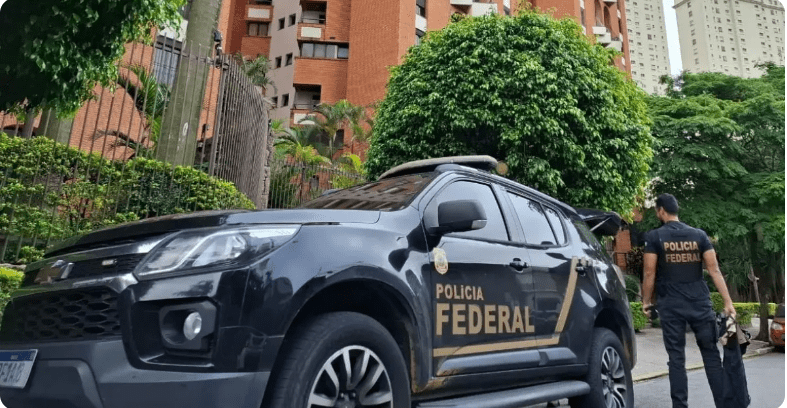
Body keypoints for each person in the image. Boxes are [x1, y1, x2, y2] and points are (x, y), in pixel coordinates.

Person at [641, 193, 736, 408]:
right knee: (711, 356)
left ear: (661, 211)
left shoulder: (654, 237)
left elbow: (649, 273)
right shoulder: (699, 235)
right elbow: (714, 270)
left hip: (671, 305)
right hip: (700, 303)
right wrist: (728, 302)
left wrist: (646, 301)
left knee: (676, 359)